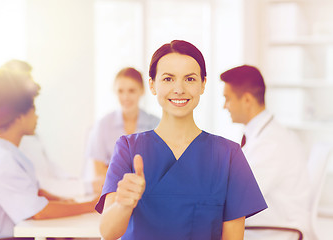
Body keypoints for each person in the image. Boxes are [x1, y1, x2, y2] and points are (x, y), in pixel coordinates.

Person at [95, 40, 267, 240]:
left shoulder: (229, 155)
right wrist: (123, 205)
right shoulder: (128, 148)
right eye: (168, 79)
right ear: (152, 85)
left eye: (190, 79)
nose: (179, 89)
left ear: (203, 84)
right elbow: (107, 233)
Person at [0, 70, 97, 240]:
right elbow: (38, 212)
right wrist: (90, 206)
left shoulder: (3, 149)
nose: (36, 116)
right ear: (20, 116)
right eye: (33, 109)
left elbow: (34, 192)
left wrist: (66, 201)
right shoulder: (3, 159)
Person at [220, 65, 311, 240]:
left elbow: (237, 196)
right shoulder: (264, 135)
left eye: (228, 99)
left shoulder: (270, 143)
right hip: (264, 225)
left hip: (275, 232)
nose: (225, 106)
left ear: (247, 100)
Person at [0, 59, 89, 198]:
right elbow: (38, 183)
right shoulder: (12, 136)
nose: (32, 84)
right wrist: (84, 187)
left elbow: (48, 165)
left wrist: (72, 181)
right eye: (27, 79)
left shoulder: (29, 127)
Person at [84, 67, 159, 194]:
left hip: (148, 192)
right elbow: (99, 172)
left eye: (131, 91)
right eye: (120, 91)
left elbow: (159, 169)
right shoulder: (103, 125)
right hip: (112, 192)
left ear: (142, 91)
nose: (125, 97)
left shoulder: (156, 124)